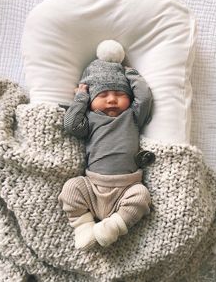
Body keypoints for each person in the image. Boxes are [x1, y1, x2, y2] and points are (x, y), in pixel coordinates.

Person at [58, 40, 153, 250]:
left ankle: (113, 227)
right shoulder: (90, 118)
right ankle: (83, 226)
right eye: (103, 95)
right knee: (71, 188)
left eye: (120, 95)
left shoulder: (132, 116)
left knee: (142, 197)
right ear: (92, 100)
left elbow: (145, 98)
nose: (112, 100)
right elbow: (70, 124)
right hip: (92, 186)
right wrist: (81, 98)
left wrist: (131, 74)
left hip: (127, 188)